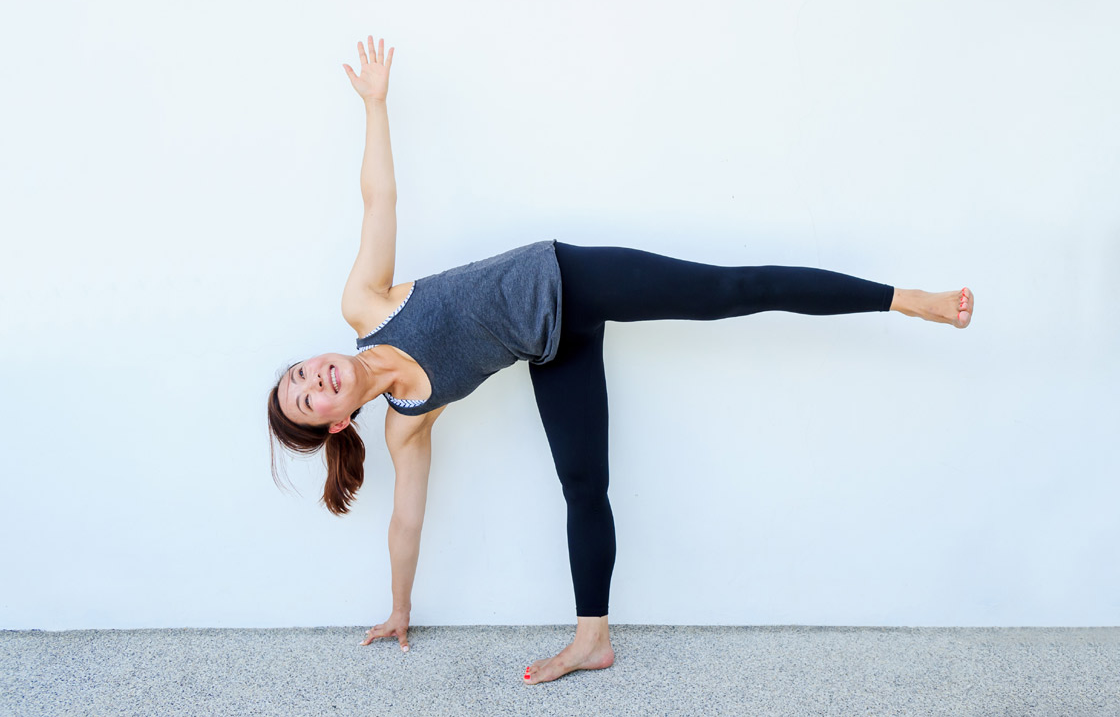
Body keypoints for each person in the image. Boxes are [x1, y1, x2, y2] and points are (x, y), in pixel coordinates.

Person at [265, 36, 976, 686]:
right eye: (307, 399)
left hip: (567, 277)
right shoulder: (406, 421)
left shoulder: (365, 303)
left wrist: (377, 106)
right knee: (583, 485)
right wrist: (398, 607)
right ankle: (592, 639)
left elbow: (378, 197)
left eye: (302, 372)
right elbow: (406, 522)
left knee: (733, 288)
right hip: (551, 347)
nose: (314, 379)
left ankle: (907, 299)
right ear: (334, 424)